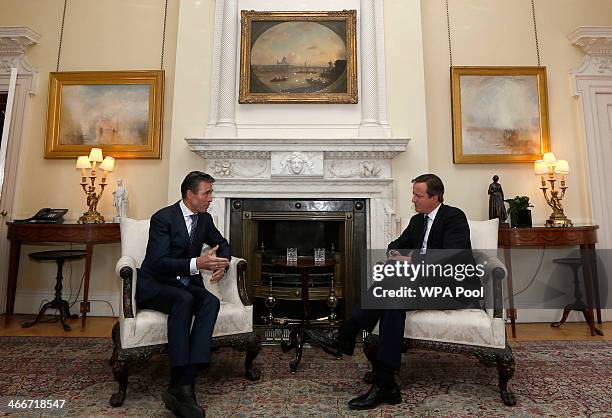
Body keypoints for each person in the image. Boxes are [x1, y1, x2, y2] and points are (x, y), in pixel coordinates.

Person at [307, 173, 474, 410]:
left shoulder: (454, 217)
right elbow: (396, 244)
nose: (413, 200)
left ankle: (346, 336)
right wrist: (395, 254)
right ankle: (386, 383)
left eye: (418, 195)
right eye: (413, 194)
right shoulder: (418, 221)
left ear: (435, 197)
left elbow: (449, 256)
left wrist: (410, 258)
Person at [136, 171, 231, 418]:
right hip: (157, 284)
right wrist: (197, 264)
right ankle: (184, 389)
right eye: (206, 193)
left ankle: (182, 382)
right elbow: (158, 263)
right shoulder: (163, 218)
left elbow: (223, 242)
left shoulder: (205, 219)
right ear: (190, 195)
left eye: (211, 192)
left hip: (185, 285)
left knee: (209, 301)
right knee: (185, 299)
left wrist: (223, 263)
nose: (211, 198)